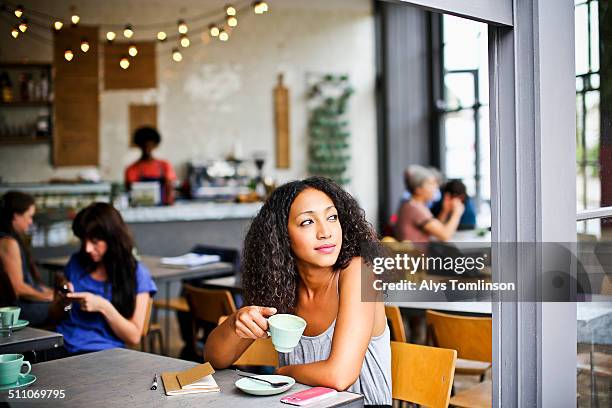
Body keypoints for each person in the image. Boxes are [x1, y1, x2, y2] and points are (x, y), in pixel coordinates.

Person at [205, 177, 392, 406]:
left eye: (332, 217)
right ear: (281, 236)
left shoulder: (359, 271)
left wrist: (282, 373)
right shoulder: (280, 287)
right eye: (307, 222)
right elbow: (214, 359)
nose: (326, 232)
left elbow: (339, 375)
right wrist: (236, 323)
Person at [57, 202, 157, 354]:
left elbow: (134, 337)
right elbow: (56, 314)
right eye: (84, 241)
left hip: (103, 353)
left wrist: (103, 306)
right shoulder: (76, 262)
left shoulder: (137, 274)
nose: (87, 248)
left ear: (113, 239)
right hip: (61, 346)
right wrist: (63, 300)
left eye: (95, 242)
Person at [0, 191, 60, 326]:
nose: (30, 222)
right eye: (29, 216)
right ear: (16, 216)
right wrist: (49, 297)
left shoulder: (12, 239)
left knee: (66, 304)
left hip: (23, 303)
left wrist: (52, 292)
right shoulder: (8, 243)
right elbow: (18, 289)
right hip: (16, 309)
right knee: (68, 309)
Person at [395, 165, 464, 243]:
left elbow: (437, 229)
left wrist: (445, 210)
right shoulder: (416, 209)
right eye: (430, 184)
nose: (435, 188)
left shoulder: (411, 204)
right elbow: (445, 235)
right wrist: (457, 213)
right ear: (418, 189)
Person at [124, 126, 177, 205]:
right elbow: (130, 194)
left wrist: (169, 206)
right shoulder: (131, 169)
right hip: (139, 210)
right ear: (139, 145)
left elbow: (169, 189)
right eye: (144, 144)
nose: (147, 147)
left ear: (155, 145)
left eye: (150, 144)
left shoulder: (164, 166)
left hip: (163, 208)